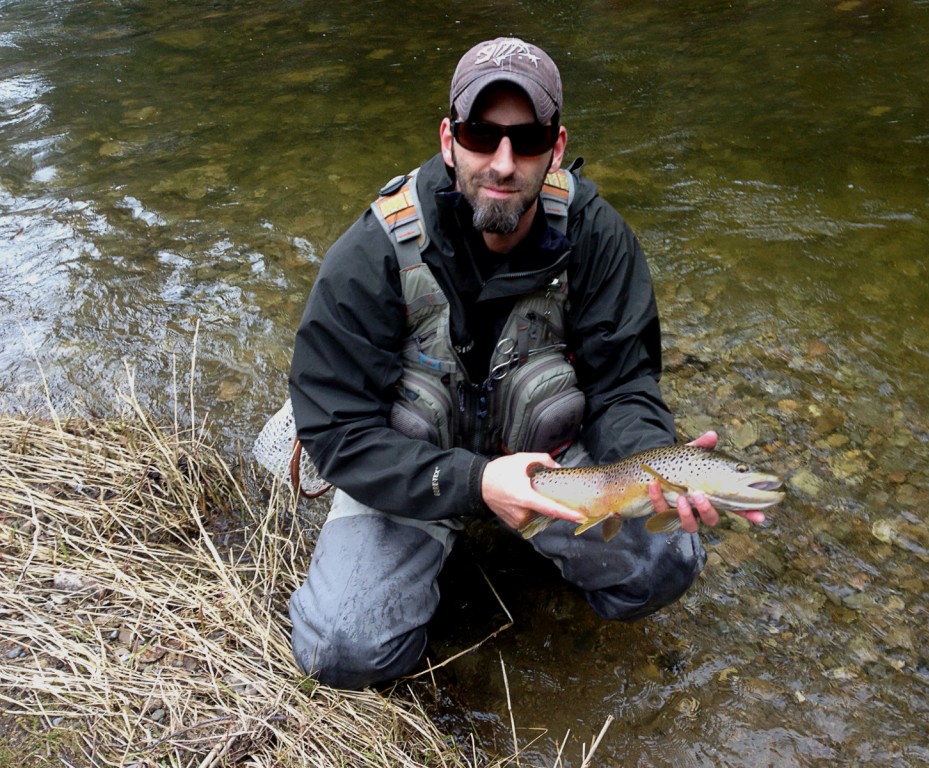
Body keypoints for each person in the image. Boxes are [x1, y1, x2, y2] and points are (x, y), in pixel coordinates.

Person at [286, 37, 765, 689]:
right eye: (483, 135)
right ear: (450, 139)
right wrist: (476, 483)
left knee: (664, 561)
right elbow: (339, 431)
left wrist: (652, 458)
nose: (504, 162)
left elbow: (623, 386)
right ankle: (440, 545)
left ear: (557, 146)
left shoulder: (598, 237)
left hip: (551, 474)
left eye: (528, 138)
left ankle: (535, 558)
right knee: (339, 651)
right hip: (416, 469)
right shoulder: (372, 249)